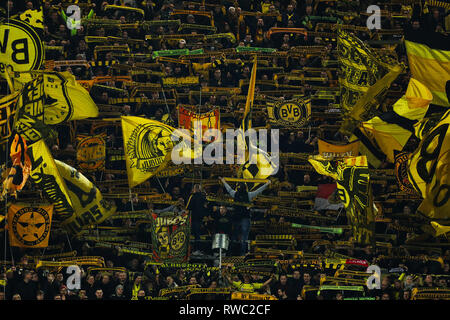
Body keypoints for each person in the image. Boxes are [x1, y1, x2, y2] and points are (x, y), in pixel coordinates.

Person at [219, 177, 271, 255]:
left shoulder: (235, 194)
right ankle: (242, 255)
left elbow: (228, 189)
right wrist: (267, 184)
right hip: (245, 218)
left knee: (234, 237)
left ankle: (231, 253)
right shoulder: (249, 195)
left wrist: (223, 181)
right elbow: (258, 191)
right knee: (244, 239)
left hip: (236, 218)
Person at [186, 184, 208, 255]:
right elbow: (206, 206)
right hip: (202, 219)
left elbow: (188, 208)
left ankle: (196, 250)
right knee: (198, 235)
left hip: (194, 219)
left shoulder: (193, 197)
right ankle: (198, 250)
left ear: (195, 189)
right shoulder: (204, 197)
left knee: (195, 235)